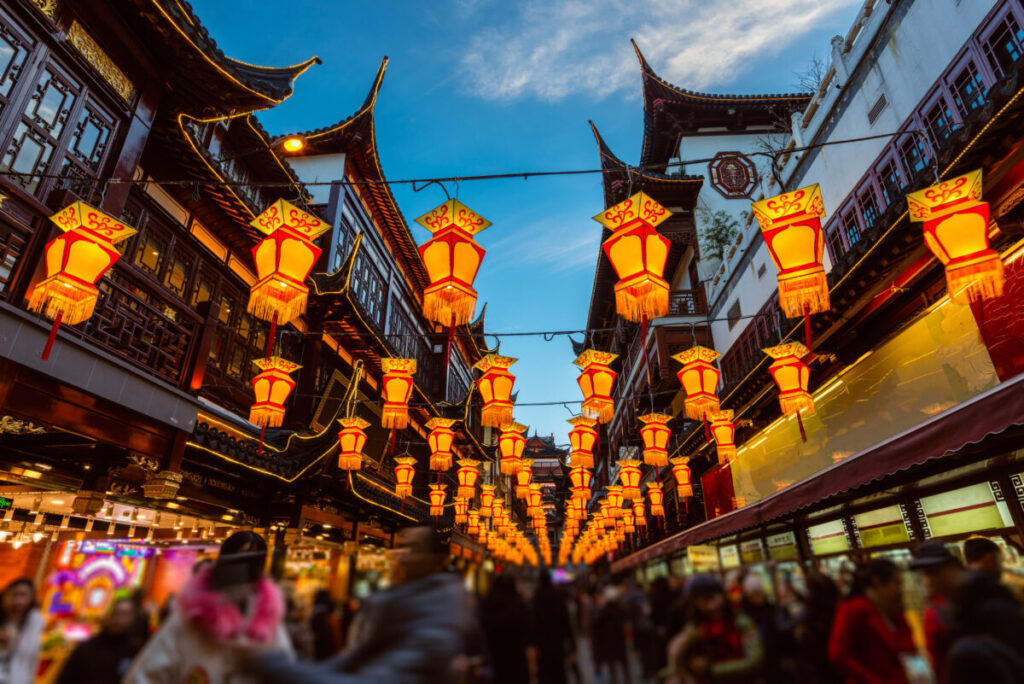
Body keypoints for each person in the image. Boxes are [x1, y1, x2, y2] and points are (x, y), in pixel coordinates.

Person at [246, 524, 474, 682]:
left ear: (434, 560)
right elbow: (350, 663)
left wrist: (269, 666)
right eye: (402, 546)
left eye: (414, 549)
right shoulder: (395, 602)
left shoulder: (436, 623)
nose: (403, 555)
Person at [125, 531, 292, 682]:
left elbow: (288, 673)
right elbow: (146, 676)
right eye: (237, 560)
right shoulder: (191, 617)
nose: (242, 571)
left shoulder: (268, 623)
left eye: (252, 564)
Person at [909, 541, 1024, 684]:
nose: (926, 582)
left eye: (929, 573)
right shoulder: (947, 607)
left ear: (945, 569)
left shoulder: (986, 597)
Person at [828, 558, 917, 684]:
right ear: (878, 582)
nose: (901, 589)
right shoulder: (853, 610)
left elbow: (909, 649)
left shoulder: (894, 609)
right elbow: (838, 654)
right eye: (897, 583)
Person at [668, 574, 763, 684]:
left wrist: (710, 671)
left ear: (722, 595)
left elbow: (755, 661)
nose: (711, 606)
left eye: (712, 598)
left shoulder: (741, 622)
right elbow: (680, 660)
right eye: (703, 601)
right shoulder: (694, 629)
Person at [56, 596, 143, 684]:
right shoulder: (86, 648)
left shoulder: (134, 651)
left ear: (133, 618)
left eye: (124, 615)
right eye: (115, 613)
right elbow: (66, 678)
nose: (118, 620)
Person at [480, 575, 530, 684]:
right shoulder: (517, 606)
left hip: (494, 660)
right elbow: (528, 630)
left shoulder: (487, 606)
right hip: (516, 660)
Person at [532, 571, 575, 684]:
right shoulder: (557, 596)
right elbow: (565, 620)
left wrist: (533, 642)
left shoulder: (537, 597)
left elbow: (534, 622)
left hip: (542, 644)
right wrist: (571, 641)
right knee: (559, 673)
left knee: (545, 675)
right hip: (557, 641)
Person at [739, 573, 781, 683]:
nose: (759, 596)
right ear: (749, 595)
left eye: (760, 593)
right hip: (757, 662)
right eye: (755, 593)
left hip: (773, 658)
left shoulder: (770, 608)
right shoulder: (744, 615)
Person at [0, 578, 43, 684]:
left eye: (23, 595)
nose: (18, 600)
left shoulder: (34, 620)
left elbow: (30, 656)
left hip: (17, 678)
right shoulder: (3, 617)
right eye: (14, 594)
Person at [593, 584, 630, 684]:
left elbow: (598, 627)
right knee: (623, 662)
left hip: (609, 641)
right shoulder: (620, 609)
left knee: (612, 663)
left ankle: (615, 680)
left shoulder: (604, 611)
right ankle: (627, 679)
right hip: (620, 639)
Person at [310, 590, 343, 662]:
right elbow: (336, 641)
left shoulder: (310, 615)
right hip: (328, 659)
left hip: (312, 658)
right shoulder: (331, 619)